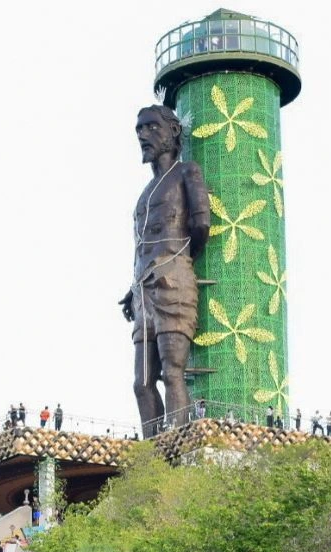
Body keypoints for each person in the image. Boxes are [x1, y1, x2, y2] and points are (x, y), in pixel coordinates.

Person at [121, 105, 210, 439]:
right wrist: (132, 290)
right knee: (141, 383)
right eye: (139, 130)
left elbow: (201, 223)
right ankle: (154, 450)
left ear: (173, 131)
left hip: (173, 282)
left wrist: (178, 261)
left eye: (151, 128)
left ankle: (178, 440)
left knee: (173, 372)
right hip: (143, 289)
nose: (143, 135)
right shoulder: (144, 195)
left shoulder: (187, 172)